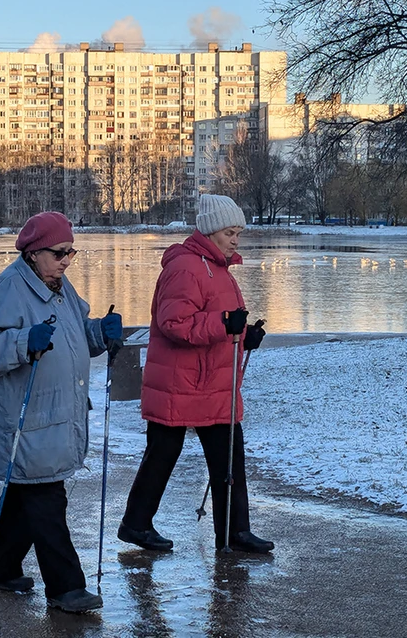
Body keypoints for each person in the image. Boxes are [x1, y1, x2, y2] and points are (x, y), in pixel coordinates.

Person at [0, 211, 123, 613]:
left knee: (25, 495)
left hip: (56, 415)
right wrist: (22, 342)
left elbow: (73, 337)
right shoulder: (8, 288)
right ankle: (67, 588)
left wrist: (99, 332)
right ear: (34, 253)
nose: (67, 259)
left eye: (71, 251)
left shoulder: (61, 287)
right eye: (59, 253)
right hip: (24, 420)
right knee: (46, 501)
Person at [117, 193, 273, 555]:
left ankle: (235, 531)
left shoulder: (217, 267)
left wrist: (244, 334)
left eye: (239, 233)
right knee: (162, 454)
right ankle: (136, 524)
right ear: (211, 230)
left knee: (229, 456)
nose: (236, 239)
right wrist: (224, 323)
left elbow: (220, 322)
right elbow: (174, 323)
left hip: (211, 382)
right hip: (179, 381)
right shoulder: (186, 267)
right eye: (231, 232)